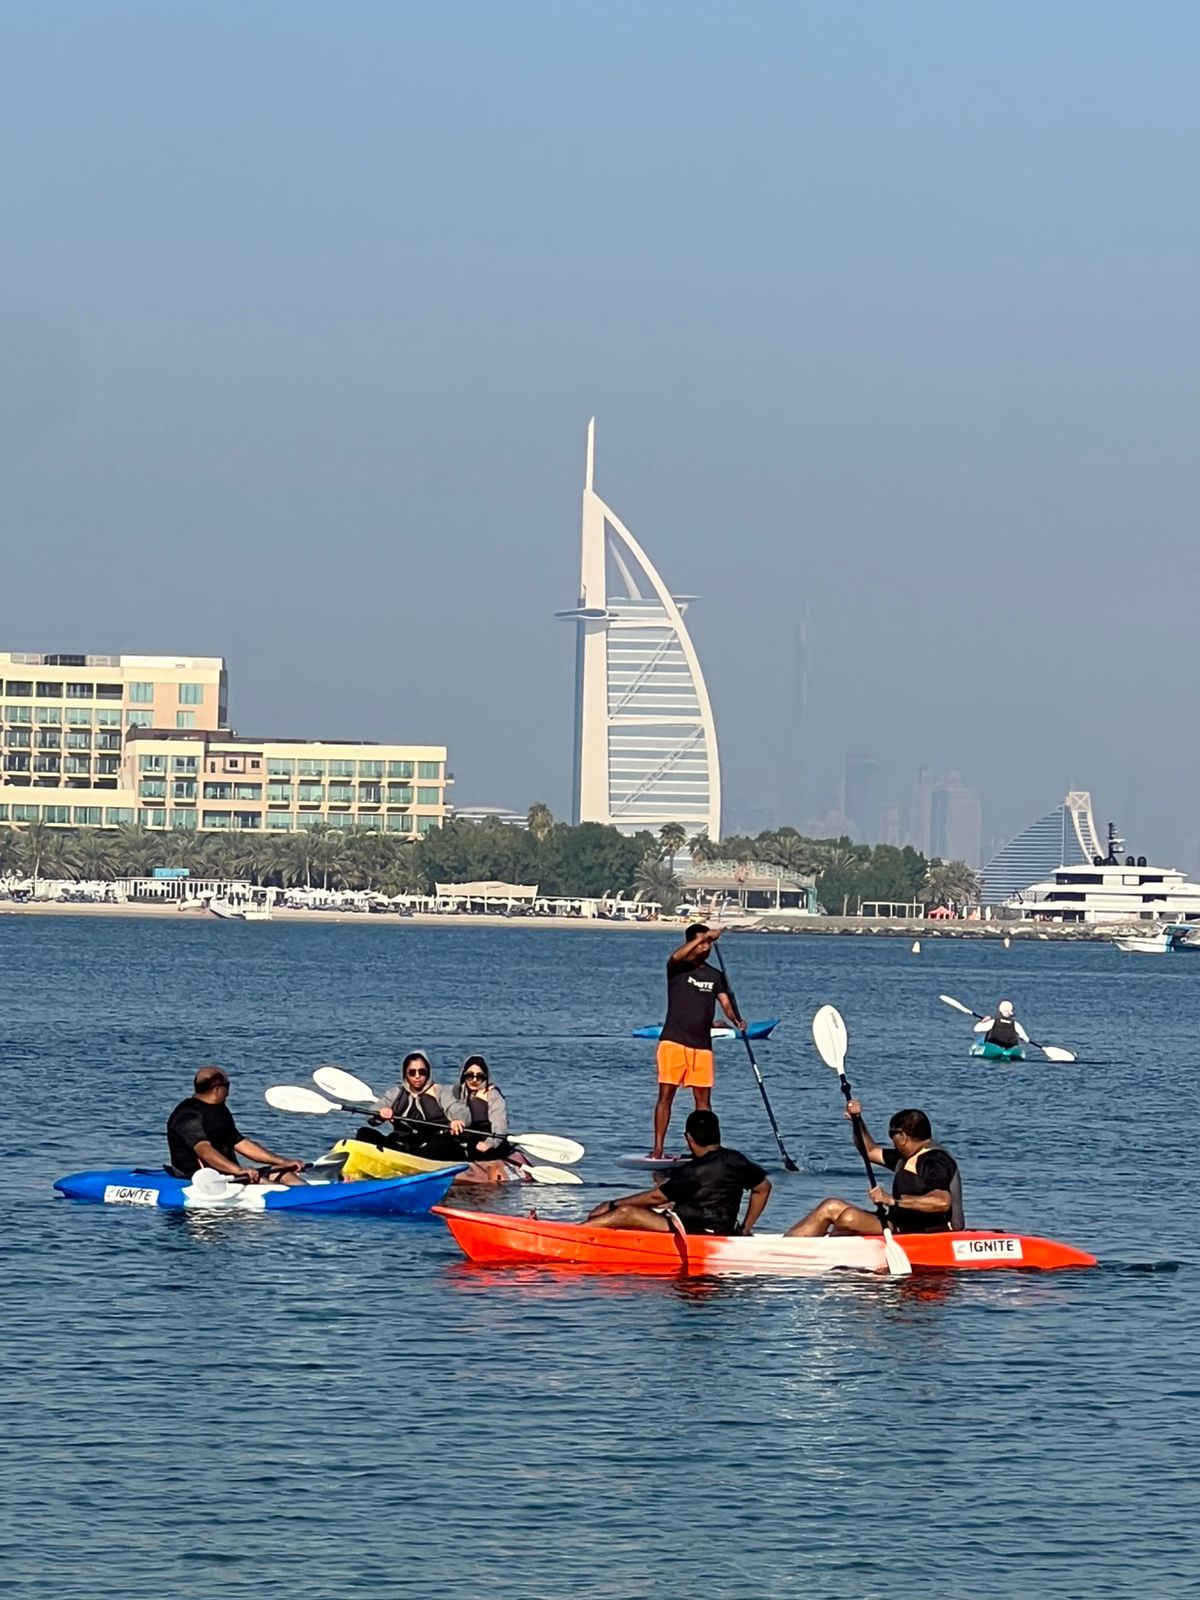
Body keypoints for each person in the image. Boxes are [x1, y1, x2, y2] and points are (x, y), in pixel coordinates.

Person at [786, 1101, 961, 1238]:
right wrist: (857, 1121)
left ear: (903, 1137)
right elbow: (869, 1151)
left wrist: (892, 1200)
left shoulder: (936, 1160)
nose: (892, 1141)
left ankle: (830, 1250)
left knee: (849, 1218)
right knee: (830, 1206)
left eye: (892, 1136)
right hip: (897, 1223)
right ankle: (787, 1246)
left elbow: (941, 1202)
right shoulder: (905, 1157)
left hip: (924, 1231)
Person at [587, 1109, 771, 1236]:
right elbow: (763, 1188)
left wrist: (612, 1204)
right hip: (724, 1228)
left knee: (626, 1212)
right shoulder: (736, 1159)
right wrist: (745, 1228)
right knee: (659, 1210)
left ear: (689, 1138)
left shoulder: (691, 1171)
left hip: (691, 1230)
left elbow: (655, 1198)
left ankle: (576, 1234)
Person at [651, 924, 746, 1159]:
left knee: (703, 1101)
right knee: (666, 1095)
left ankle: (708, 1150)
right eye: (702, 943)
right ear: (692, 943)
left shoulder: (715, 975)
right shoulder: (677, 968)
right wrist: (704, 936)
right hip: (674, 1041)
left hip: (702, 1046)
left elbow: (725, 1003)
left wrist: (736, 1019)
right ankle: (659, 1148)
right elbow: (676, 955)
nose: (706, 947)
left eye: (709, 944)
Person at [166, 1065, 305, 1185]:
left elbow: (240, 1143)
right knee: (264, 1184)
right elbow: (205, 1151)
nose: (228, 1093)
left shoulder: (220, 1110)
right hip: (203, 1180)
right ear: (217, 1088)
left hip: (229, 1174)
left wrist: (282, 1162)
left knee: (285, 1174)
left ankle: (313, 1195)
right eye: (228, 1086)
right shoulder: (188, 1116)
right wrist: (238, 1171)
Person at [368, 1052, 469, 1160]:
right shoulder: (395, 1093)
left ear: (428, 1072)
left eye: (422, 1072)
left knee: (439, 1145)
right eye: (412, 1072)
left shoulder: (440, 1092)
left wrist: (459, 1119)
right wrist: (381, 1112)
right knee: (365, 1133)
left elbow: (458, 1109)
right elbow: (374, 1111)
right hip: (404, 1144)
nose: (417, 1076)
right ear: (405, 1074)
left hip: (435, 1143)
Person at [455, 1055, 523, 1165]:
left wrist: (490, 1143)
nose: (474, 1080)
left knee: (478, 1150)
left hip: (489, 1140)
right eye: (470, 1076)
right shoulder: (458, 1093)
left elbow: (499, 1124)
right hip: (468, 1140)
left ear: (485, 1077)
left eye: (479, 1076)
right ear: (464, 1076)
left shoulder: (493, 1095)